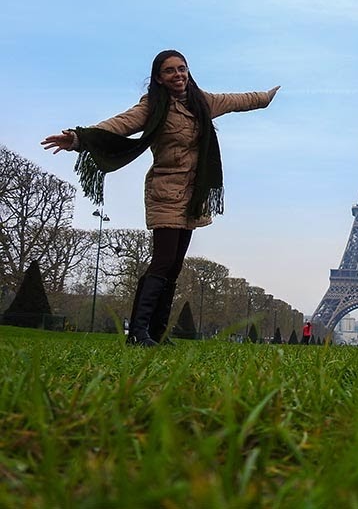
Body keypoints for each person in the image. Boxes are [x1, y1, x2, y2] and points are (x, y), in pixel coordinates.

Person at [42, 49, 280, 347]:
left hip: (194, 194)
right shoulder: (152, 107)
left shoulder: (202, 102)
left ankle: (156, 332)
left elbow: (236, 101)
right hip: (165, 190)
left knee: (175, 264)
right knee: (163, 260)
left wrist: (265, 97)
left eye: (182, 69)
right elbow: (119, 124)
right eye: (170, 71)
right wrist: (79, 139)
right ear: (159, 78)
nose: (178, 75)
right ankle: (138, 333)